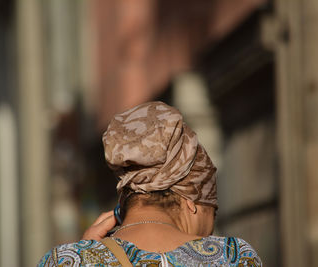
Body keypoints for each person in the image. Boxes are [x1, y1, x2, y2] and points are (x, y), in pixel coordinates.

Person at [37, 101, 262, 266]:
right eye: (213, 211)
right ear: (192, 200)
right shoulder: (235, 257)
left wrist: (85, 254)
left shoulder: (64, 261)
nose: (211, 230)